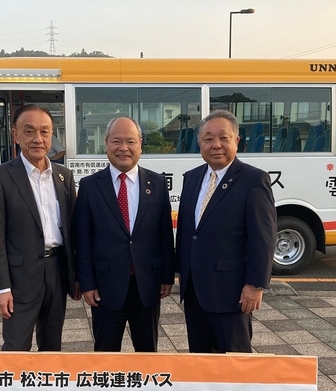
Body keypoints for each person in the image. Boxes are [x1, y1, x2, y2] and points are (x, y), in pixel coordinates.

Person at [176, 110, 276, 353]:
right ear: (199, 143)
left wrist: (255, 284)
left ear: (237, 141)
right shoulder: (192, 178)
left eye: (224, 138)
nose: (216, 145)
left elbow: (263, 237)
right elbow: (189, 232)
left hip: (231, 293)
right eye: (208, 139)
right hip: (195, 291)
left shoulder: (253, 180)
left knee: (235, 363)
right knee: (200, 360)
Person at [74, 116, 175, 352]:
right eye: (116, 141)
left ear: (140, 144)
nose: (123, 148)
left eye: (130, 141)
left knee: (148, 354)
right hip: (105, 287)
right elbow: (84, 238)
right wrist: (86, 282)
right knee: (106, 356)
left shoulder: (157, 183)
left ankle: (147, 390)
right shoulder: (90, 186)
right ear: (106, 143)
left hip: (147, 286)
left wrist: (167, 276)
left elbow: (164, 234)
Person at [0, 104, 79, 351]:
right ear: (16, 135)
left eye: (44, 132)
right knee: (16, 348)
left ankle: (46, 390)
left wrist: (76, 276)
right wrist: (1, 288)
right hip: (20, 280)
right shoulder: (0, 177)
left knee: (51, 346)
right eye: (29, 131)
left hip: (57, 272)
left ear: (51, 135)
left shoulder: (63, 177)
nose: (38, 139)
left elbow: (73, 231)